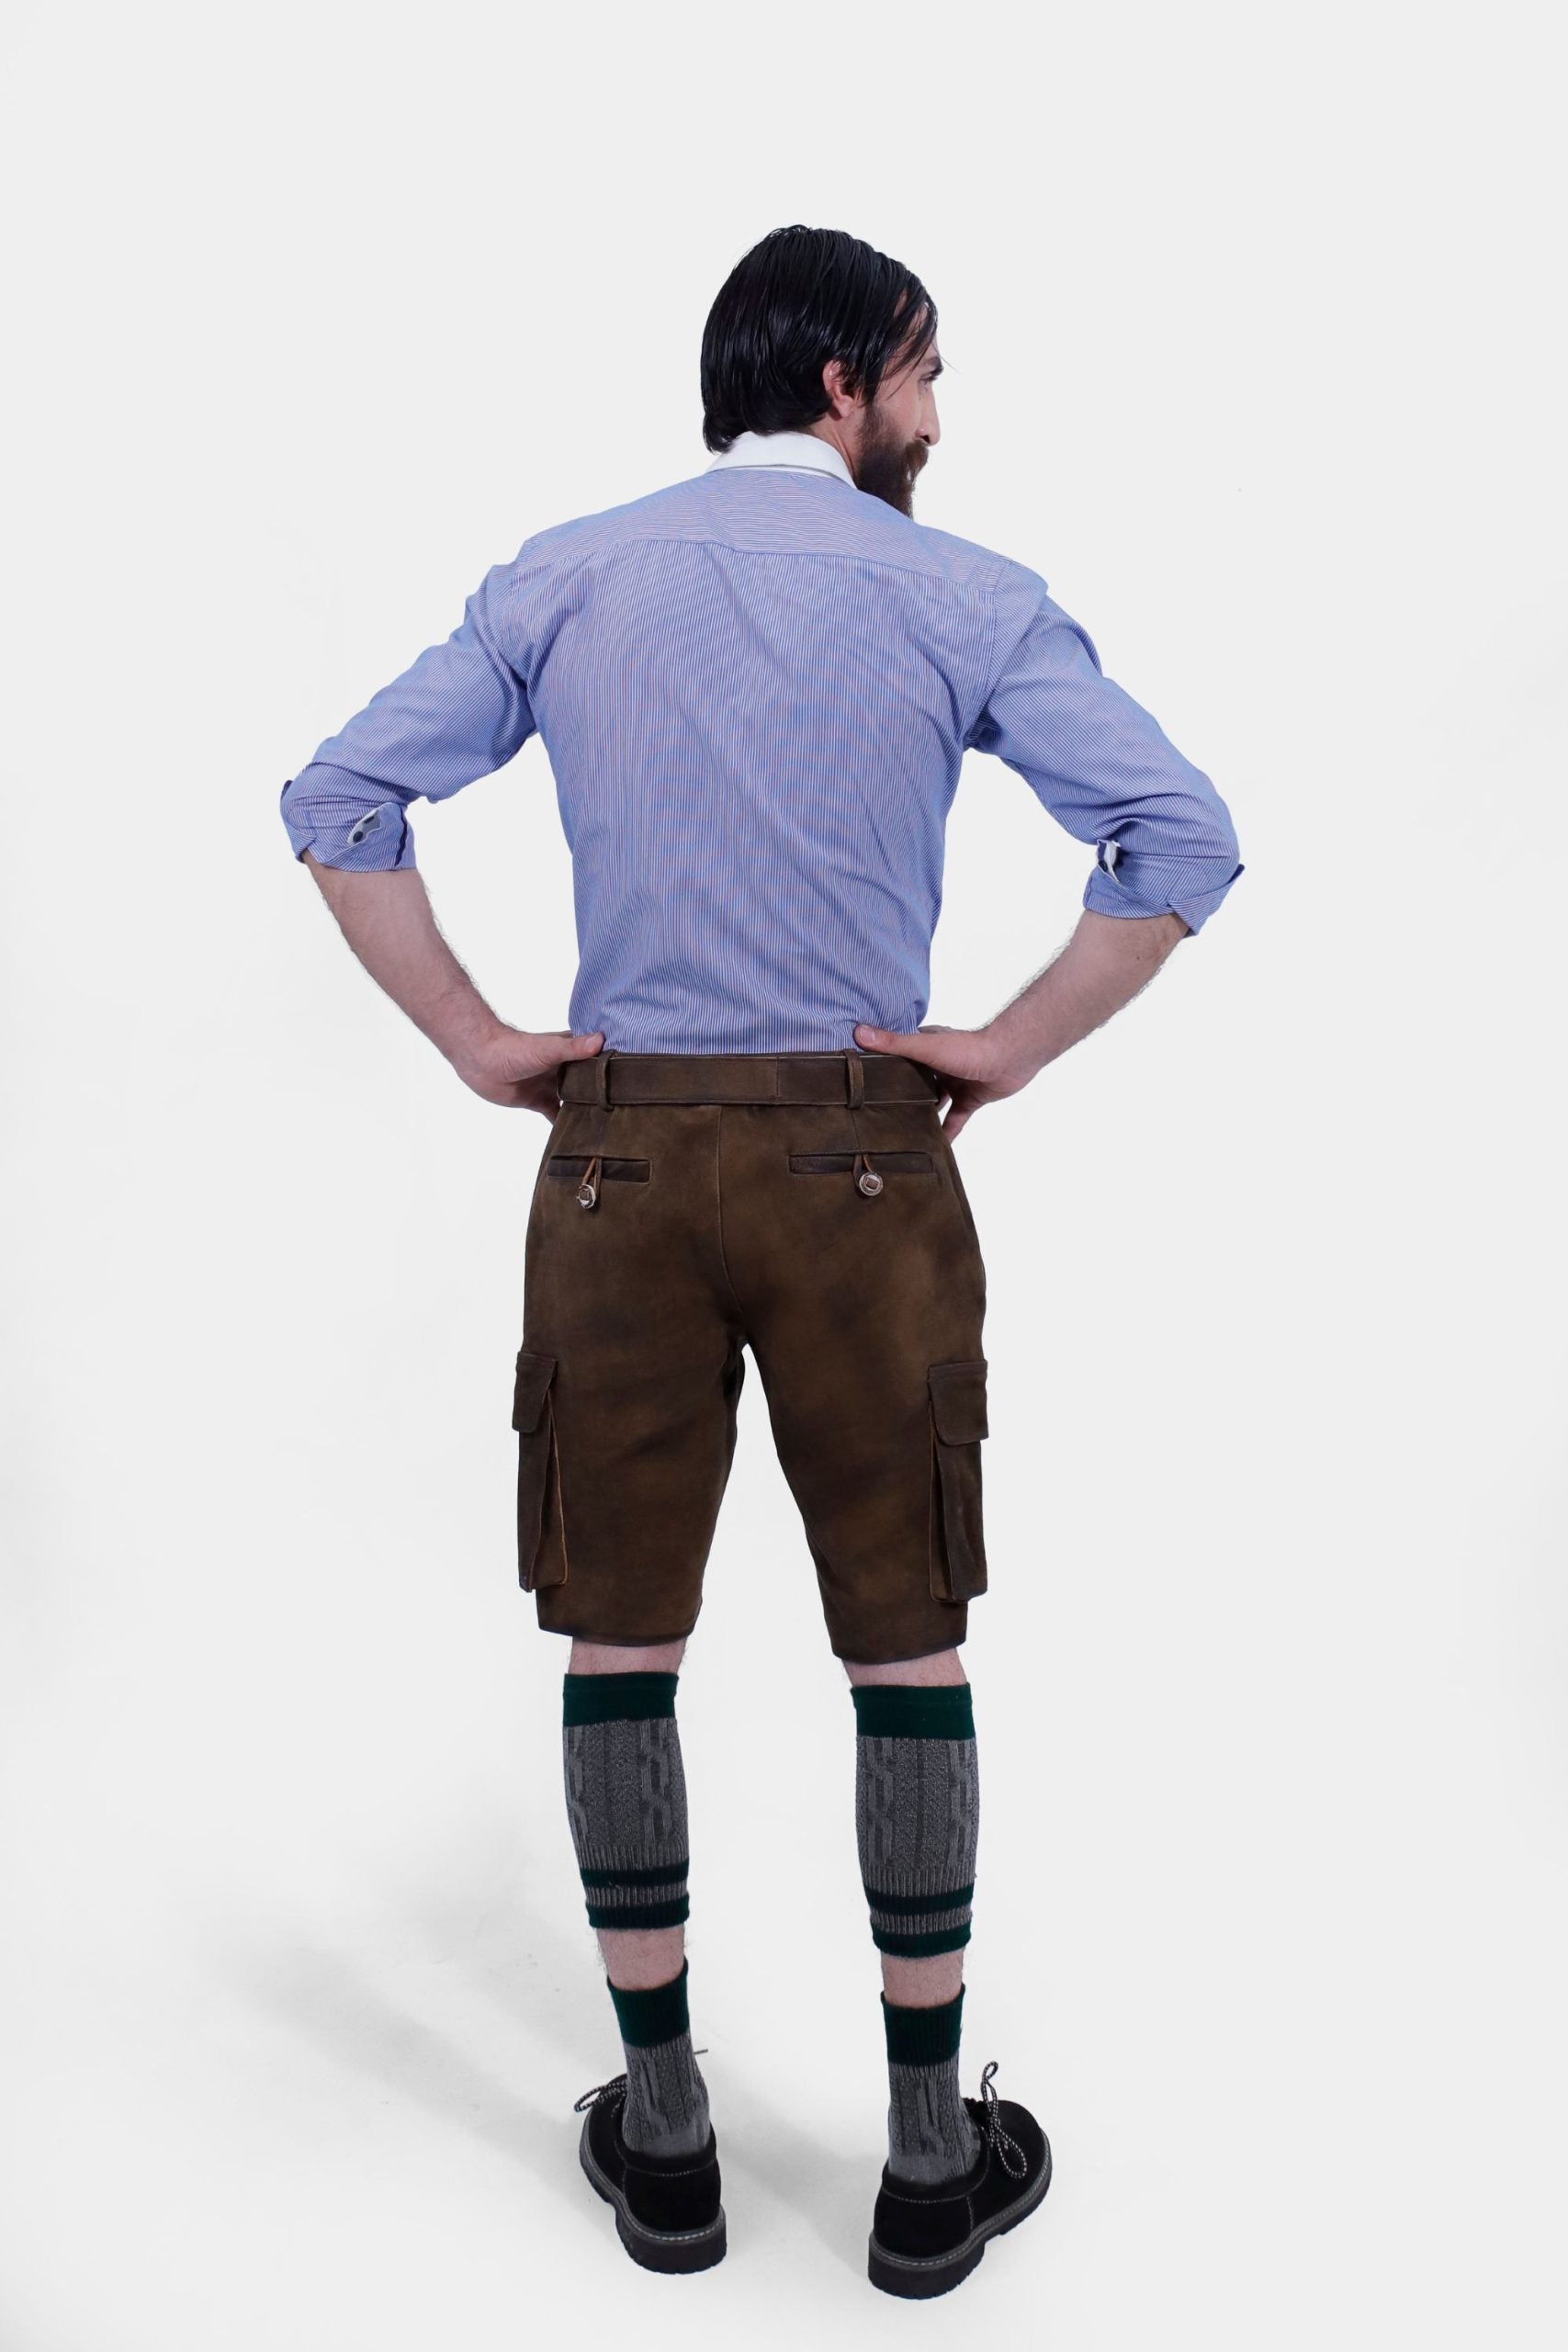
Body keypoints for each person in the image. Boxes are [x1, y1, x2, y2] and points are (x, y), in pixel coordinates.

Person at [279, 222, 1244, 2299]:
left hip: (614, 1157)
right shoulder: (957, 594)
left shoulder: (567, 570)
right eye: (919, 374)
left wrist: (475, 1039)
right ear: (836, 383)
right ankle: (920, 2162)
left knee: (618, 1640)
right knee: (902, 1645)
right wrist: (989, 1045)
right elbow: (1180, 837)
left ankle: (663, 2135)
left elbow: (341, 796)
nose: (931, 411)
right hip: (859, 1168)